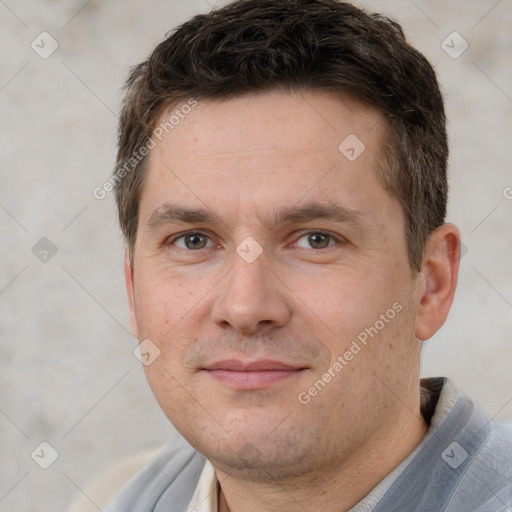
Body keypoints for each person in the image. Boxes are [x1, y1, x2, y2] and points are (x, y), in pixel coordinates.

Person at [104, 0, 512, 510]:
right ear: (133, 286)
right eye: (194, 240)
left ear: (430, 284)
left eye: (316, 239)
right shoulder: (114, 496)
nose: (245, 308)